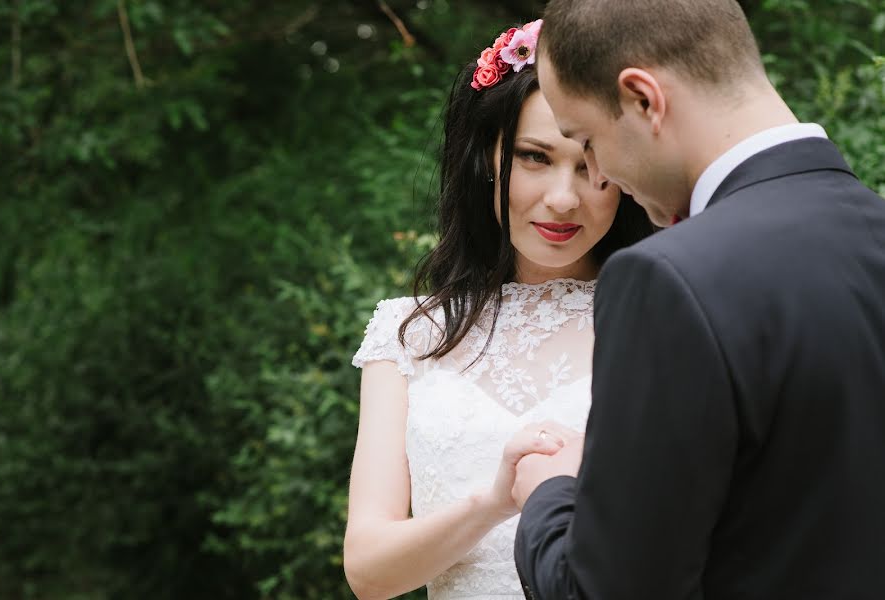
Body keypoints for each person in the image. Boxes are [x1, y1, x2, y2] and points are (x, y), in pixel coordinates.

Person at [511, 1, 885, 599]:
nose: (600, 174)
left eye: (587, 140)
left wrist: (549, 494)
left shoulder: (668, 279)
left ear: (642, 99)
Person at [343, 19, 654, 600]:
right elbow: (368, 572)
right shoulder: (407, 333)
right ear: (483, 158)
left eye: (592, 165)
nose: (564, 198)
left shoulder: (662, 320)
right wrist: (492, 503)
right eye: (535, 157)